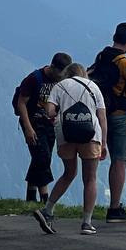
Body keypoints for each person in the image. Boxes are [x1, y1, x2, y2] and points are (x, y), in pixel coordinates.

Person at [33, 63, 109, 236]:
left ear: (67, 73)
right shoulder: (94, 87)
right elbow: (102, 116)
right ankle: (87, 223)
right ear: (83, 73)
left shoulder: (59, 86)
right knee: (90, 178)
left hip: (65, 134)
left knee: (69, 173)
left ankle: (48, 210)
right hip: (90, 135)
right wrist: (104, 143)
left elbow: (50, 111)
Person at [89, 23, 126, 223]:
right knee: (120, 161)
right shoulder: (124, 63)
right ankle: (115, 208)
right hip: (122, 115)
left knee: (96, 159)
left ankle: (91, 204)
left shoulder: (102, 56)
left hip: (103, 114)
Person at [13, 52, 72, 203]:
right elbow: (21, 103)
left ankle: (31, 196)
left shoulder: (62, 79)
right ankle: (45, 198)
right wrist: (28, 128)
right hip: (33, 122)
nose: (61, 78)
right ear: (52, 67)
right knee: (42, 156)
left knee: (40, 158)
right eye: (60, 74)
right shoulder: (34, 79)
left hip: (50, 124)